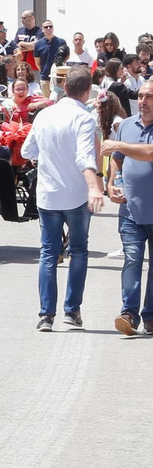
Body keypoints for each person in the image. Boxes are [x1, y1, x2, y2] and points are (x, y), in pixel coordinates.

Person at [21, 67, 105, 331]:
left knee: (48, 253)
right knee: (78, 251)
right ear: (87, 90)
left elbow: (27, 150)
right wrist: (94, 186)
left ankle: (46, 314)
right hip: (76, 194)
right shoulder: (84, 118)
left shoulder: (45, 114)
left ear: (64, 87)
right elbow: (84, 156)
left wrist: (47, 155)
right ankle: (72, 310)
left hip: (48, 194)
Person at [106, 81, 153, 334]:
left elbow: (149, 152)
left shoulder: (121, 135)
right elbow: (117, 159)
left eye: (149, 97)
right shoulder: (126, 125)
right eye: (141, 96)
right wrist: (112, 183)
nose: (143, 101)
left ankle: (151, 315)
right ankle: (129, 314)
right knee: (132, 261)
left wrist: (117, 145)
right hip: (131, 211)